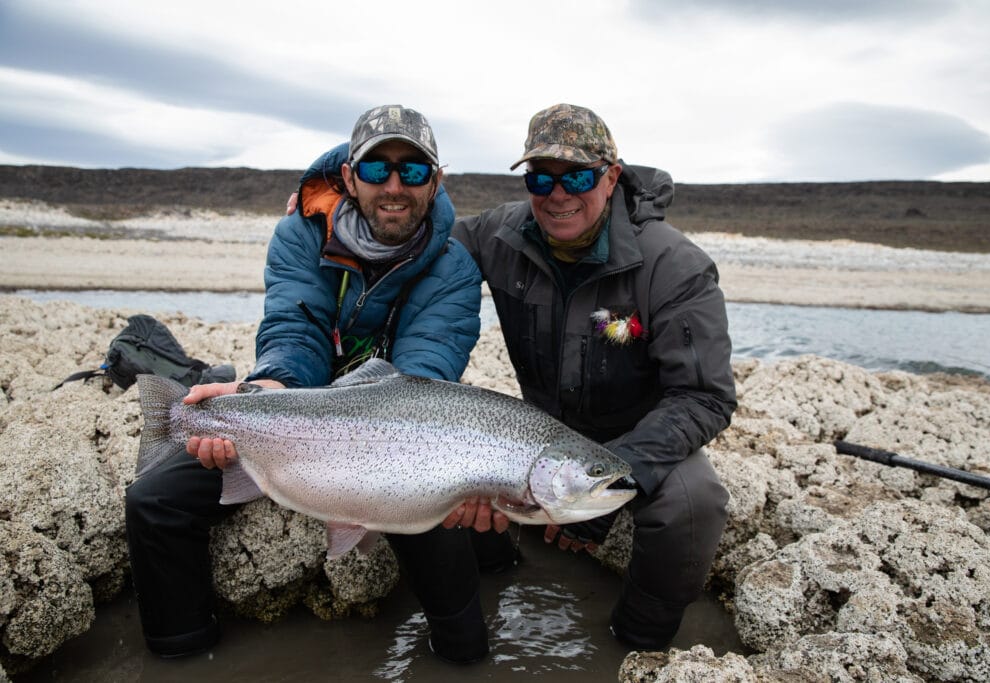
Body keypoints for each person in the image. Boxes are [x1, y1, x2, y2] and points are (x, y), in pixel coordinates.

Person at [294, 104, 736, 652]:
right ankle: (499, 568)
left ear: (612, 175)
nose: (557, 194)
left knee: (694, 501)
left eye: (576, 176)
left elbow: (705, 397)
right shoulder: (501, 235)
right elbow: (411, 229)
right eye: (539, 178)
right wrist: (327, 207)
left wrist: (611, 488)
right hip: (538, 437)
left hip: (640, 438)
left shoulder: (673, 267)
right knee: (447, 465)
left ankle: (638, 644)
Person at [124, 104, 487, 662]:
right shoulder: (301, 235)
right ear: (349, 176)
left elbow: (424, 376)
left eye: (413, 171)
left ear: (435, 182)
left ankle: (462, 657)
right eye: (376, 169)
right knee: (153, 500)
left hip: (397, 434)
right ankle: (182, 653)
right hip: (292, 414)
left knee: (449, 533)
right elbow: (296, 330)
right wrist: (265, 391)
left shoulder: (454, 269)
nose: (394, 185)